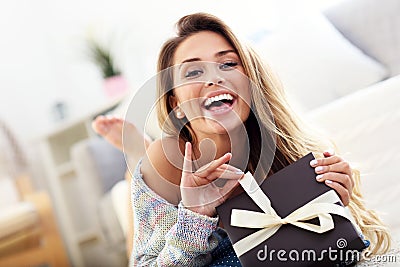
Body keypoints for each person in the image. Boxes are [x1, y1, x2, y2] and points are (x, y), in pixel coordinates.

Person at [93, 13, 392, 266]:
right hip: (164, 182)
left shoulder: (291, 147)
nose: (215, 78)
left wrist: (335, 206)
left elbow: (343, 251)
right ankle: (135, 158)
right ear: (176, 104)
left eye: (228, 64)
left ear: (251, 84)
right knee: (140, 176)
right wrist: (195, 218)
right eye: (194, 71)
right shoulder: (167, 159)